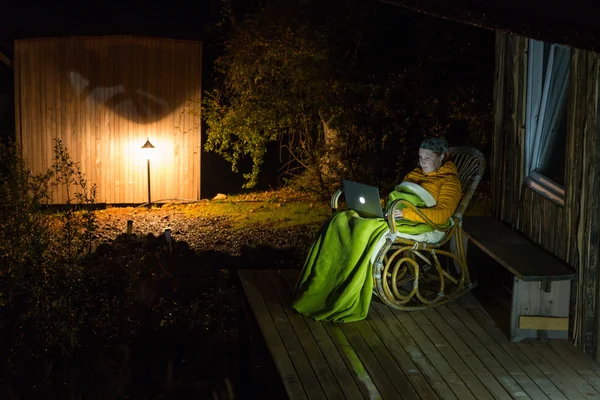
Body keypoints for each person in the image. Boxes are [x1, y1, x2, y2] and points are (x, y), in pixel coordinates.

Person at [291, 137, 462, 323]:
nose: (422, 162)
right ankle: (326, 282)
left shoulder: (449, 181)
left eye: (427, 158)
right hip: (397, 215)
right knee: (342, 219)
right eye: (420, 157)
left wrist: (406, 213)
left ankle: (351, 285)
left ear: (442, 157)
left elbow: (443, 214)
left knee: (368, 228)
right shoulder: (416, 173)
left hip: (423, 223)